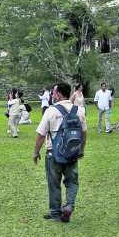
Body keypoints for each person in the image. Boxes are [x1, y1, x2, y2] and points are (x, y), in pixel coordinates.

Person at [32, 82, 87, 222]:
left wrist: (36, 152)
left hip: (53, 153)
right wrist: (81, 149)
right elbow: (84, 132)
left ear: (59, 94)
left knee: (54, 182)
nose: (52, 94)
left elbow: (41, 134)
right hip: (73, 152)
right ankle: (69, 206)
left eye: (54, 92)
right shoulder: (79, 110)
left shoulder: (51, 110)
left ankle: (55, 212)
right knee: (72, 182)